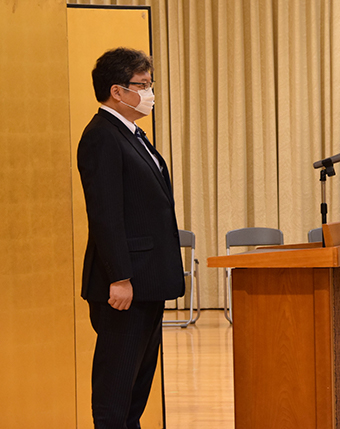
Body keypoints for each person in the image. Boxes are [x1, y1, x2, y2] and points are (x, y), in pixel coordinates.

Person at [77, 47, 185, 429]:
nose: (150, 92)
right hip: (125, 284)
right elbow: (105, 214)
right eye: (143, 85)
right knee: (114, 394)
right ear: (117, 91)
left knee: (136, 391)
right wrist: (118, 276)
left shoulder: (132, 134)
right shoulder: (101, 136)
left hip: (148, 280)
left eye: (150, 84)